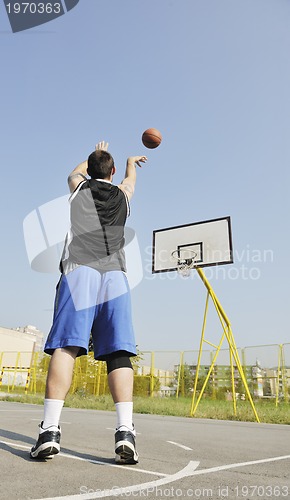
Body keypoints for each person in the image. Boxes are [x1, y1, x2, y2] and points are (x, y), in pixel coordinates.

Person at [30, 141, 147, 464]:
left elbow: (74, 172)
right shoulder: (123, 195)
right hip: (116, 276)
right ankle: (126, 432)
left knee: (67, 347)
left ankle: (50, 431)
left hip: (80, 270)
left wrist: (94, 153)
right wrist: (128, 163)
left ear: (90, 170)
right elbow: (130, 181)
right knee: (119, 354)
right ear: (111, 172)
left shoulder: (78, 188)